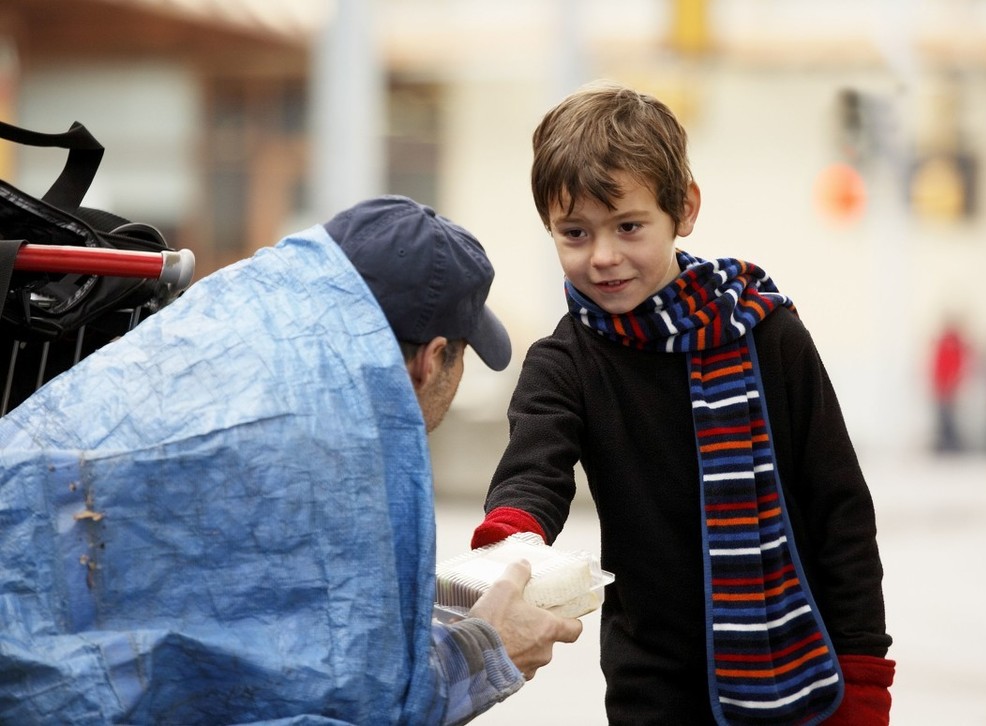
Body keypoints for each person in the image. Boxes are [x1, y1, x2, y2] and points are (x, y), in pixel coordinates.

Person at [0, 196, 581, 725]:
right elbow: (360, 706)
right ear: (430, 361)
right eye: (462, 360)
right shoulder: (335, 455)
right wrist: (487, 648)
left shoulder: (220, 343)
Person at [469, 81, 894, 724]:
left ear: (684, 210)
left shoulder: (767, 333)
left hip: (807, 680)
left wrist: (865, 680)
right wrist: (512, 549)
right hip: (653, 694)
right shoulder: (565, 362)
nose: (604, 256)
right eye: (575, 232)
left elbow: (840, 512)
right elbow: (534, 473)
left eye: (629, 226)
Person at [930, 316, 970, 453]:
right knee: (943, 419)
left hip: (951, 389)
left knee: (950, 419)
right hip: (943, 388)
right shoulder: (944, 344)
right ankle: (944, 446)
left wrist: (953, 383)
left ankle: (951, 446)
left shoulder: (957, 346)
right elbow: (938, 366)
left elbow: (959, 367)